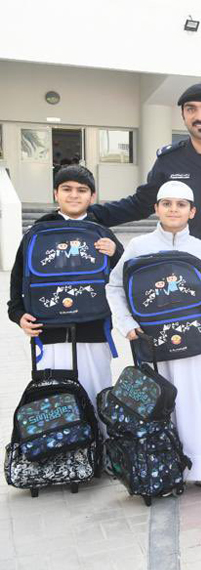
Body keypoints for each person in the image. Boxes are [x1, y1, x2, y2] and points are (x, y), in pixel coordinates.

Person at [90, 83, 201, 416]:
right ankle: (183, 431)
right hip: (179, 284)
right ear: (184, 115)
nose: (200, 116)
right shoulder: (169, 160)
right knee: (184, 357)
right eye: (192, 110)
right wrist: (92, 214)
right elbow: (141, 202)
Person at [106, 181, 201, 494]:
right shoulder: (137, 247)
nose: (173, 209)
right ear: (156, 208)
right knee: (161, 407)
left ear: (192, 211)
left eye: (181, 204)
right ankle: (166, 469)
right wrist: (125, 322)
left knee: (196, 404)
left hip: (193, 342)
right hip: (152, 342)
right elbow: (115, 286)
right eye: (167, 203)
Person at [7, 165, 123, 411]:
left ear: (92, 197)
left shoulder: (102, 233)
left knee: (96, 398)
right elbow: (18, 278)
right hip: (49, 333)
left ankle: (99, 449)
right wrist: (17, 315)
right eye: (66, 189)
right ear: (55, 194)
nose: (73, 195)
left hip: (94, 332)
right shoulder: (37, 233)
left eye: (81, 190)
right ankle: (61, 451)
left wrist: (116, 253)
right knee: (57, 407)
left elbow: (124, 279)